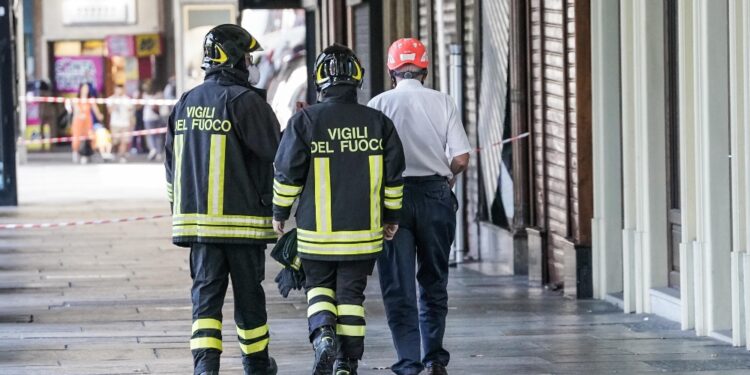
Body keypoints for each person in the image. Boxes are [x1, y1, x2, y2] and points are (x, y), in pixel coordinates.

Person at [272, 44, 406, 375]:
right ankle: (347, 363)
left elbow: (287, 175)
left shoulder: (304, 121)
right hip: (363, 233)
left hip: (316, 233)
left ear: (319, 81)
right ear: (357, 79)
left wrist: (279, 212)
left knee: (318, 288)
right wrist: (391, 218)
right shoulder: (378, 123)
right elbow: (393, 180)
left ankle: (322, 337)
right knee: (351, 297)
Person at [164, 24, 281, 375]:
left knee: (205, 301)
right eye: (248, 57)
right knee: (249, 300)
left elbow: (172, 166)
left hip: (199, 226)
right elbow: (277, 153)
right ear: (234, 59)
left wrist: (179, 211)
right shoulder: (247, 103)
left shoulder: (186, 102)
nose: (251, 63)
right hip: (242, 225)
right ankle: (257, 365)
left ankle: (205, 368)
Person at [366, 38, 471, 375]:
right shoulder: (443, 101)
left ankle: (408, 363)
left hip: (393, 199)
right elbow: (461, 157)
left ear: (390, 69)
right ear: (425, 68)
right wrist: (448, 176)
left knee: (398, 285)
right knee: (434, 280)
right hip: (435, 197)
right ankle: (435, 359)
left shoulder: (378, 103)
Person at [69, 82, 104, 164]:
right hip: (78, 122)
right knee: (77, 140)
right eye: (84, 88)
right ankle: (75, 153)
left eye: (87, 88)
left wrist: (100, 116)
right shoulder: (76, 100)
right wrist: (80, 115)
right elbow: (76, 110)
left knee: (89, 138)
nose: (85, 90)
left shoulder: (90, 100)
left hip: (87, 122)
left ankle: (85, 155)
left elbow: (96, 111)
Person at [107, 84, 135, 162]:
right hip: (115, 123)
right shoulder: (110, 99)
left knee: (124, 141)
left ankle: (121, 156)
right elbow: (110, 111)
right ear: (115, 90)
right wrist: (115, 101)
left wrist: (131, 121)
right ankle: (112, 153)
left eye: (120, 89)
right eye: (117, 89)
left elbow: (130, 112)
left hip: (125, 123)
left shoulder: (127, 100)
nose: (119, 91)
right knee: (115, 141)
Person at [143, 80, 165, 161]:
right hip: (157, 116)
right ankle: (158, 152)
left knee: (150, 134)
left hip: (148, 117)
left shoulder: (145, 95)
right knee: (158, 136)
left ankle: (153, 149)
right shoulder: (160, 94)